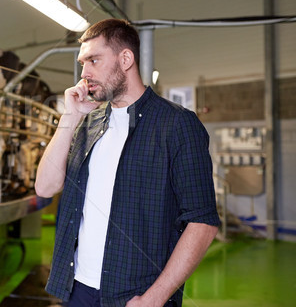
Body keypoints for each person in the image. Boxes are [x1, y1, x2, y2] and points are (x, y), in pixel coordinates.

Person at [35, 18, 220, 307]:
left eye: (94, 60)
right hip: (78, 290)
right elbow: (45, 187)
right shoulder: (89, 123)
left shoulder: (177, 124)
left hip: (136, 296)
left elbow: (202, 223)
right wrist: (69, 118)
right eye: (83, 63)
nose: (84, 74)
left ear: (125, 59)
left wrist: (154, 298)